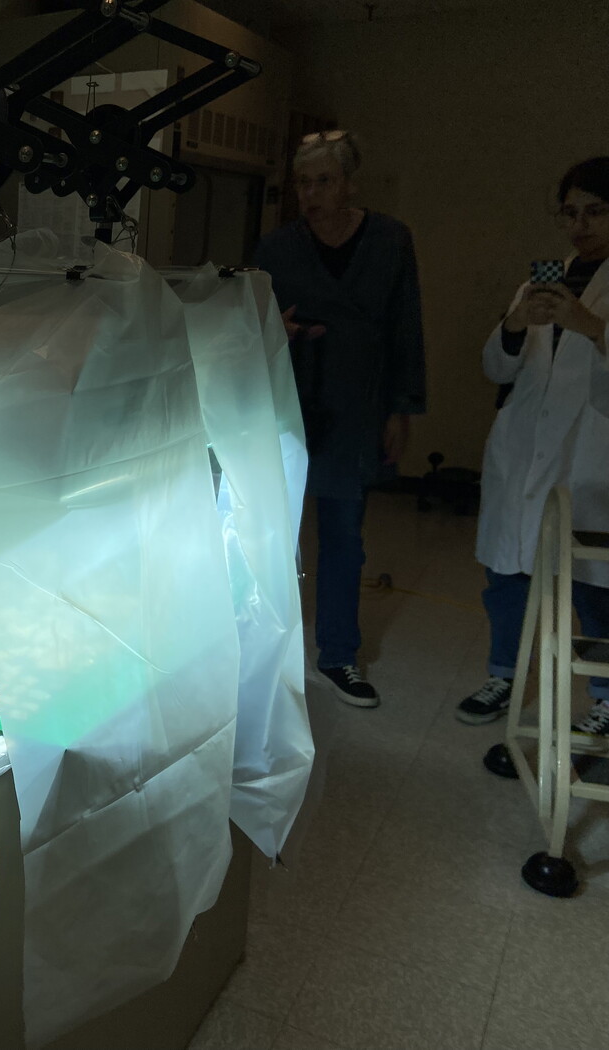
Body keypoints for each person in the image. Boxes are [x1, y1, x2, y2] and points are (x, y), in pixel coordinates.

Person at [252, 130, 426, 709]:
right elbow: (247, 320)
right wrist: (275, 329)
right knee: (265, 529)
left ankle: (337, 654)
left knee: (344, 534)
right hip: (287, 398)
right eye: (303, 183)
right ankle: (255, 646)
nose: (311, 193)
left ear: (349, 183)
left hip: (356, 403)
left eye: (323, 181)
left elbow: (405, 326)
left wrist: (401, 407)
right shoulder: (276, 249)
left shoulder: (390, 240)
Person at [455, 157, 609, 728]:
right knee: (508, 576)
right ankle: (504, 673)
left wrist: (590, 325)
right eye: (569, 213)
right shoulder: (539, 283)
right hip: (521, 450)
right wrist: (516, 323)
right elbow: (496, 367)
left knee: (593, 589)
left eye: (595, 211)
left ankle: (606, 698)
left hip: (589, 459)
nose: (579, 225)